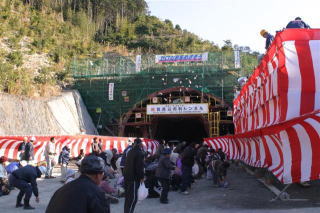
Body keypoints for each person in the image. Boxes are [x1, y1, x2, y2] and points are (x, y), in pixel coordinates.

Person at [123, 138, 145, 213]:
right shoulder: (139, 153)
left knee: (128, 197)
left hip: (127, 176)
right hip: (133, 178)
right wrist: (141, 177)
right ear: (140, 144)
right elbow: (139, 167)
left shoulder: (130, 151)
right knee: (133, 198)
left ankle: (126, 211)